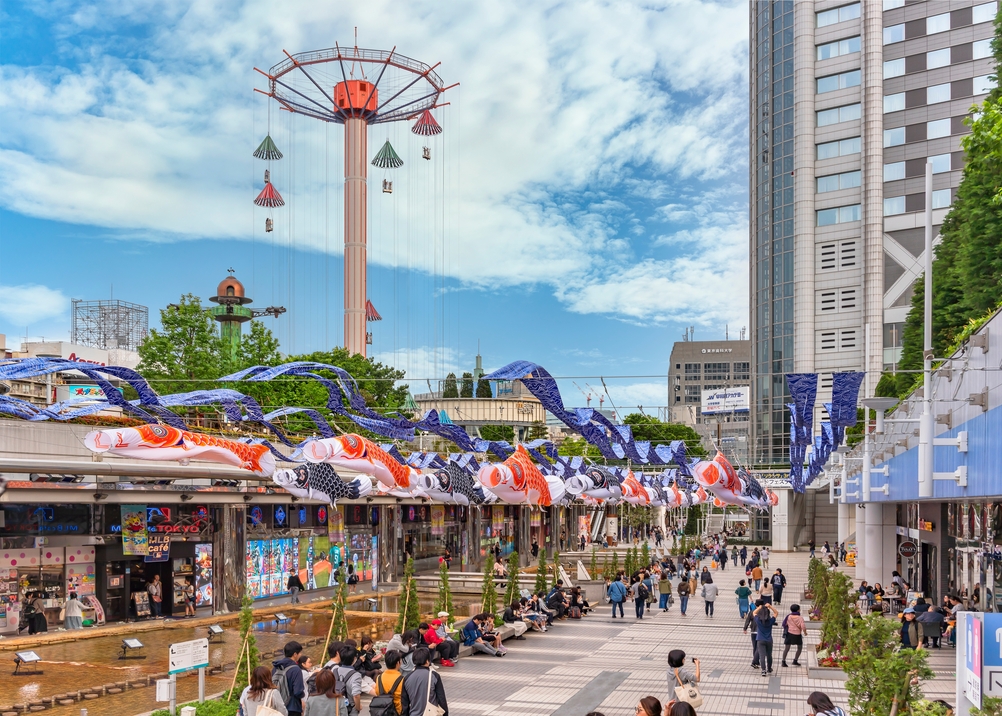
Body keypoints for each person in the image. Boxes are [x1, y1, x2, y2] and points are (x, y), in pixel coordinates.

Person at [401, 647, 448, 716]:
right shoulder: (434, 676)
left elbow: (404, 703)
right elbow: (441, 699)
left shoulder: (407, 678)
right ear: (427, 661)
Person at [273, 641, 306, 716]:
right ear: (295, 654)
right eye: (300, 653)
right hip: (292, 707)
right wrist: (303, 696)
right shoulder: (296, 669)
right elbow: (298, 691)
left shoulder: (276, 667)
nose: (300, 655)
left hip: (277, 706)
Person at [370, 649, 405, 714]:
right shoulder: (402, 679)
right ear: (398, 663)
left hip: (381, 712)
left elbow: (377, 693)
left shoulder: (379, 678)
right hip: (397, 712)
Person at [753, 601, 780, 676]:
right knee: (769, 655)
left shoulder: (758, 620)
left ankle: (763, 670)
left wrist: (760, 607)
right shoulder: (771, 621)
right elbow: (776, 613)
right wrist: (770, 607)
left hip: (760, 640)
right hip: (769, 640)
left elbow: (754, 613)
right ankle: (769, 668)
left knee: (762, 655)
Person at [743, 599, 763, 669]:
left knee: (755, 647)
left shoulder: (751, 612)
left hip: (753, 631)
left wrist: (745, 628)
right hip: (761, 632)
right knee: (759, 647)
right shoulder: (764, 612)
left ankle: (756, 662)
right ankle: (755, 661)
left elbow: (747, 620)